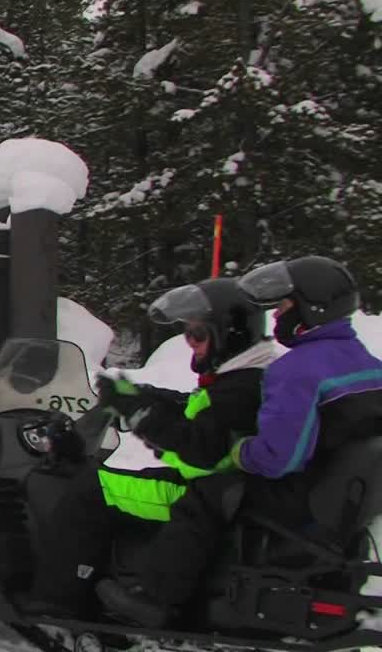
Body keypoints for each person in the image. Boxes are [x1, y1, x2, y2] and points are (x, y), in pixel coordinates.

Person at [97, 255, 382, 627]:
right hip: (340, 495)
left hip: (301, 497)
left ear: (314, 308)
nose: (277, 318)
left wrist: (240, 452)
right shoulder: (366, 362)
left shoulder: (294, 369)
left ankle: (155, 597)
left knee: (208, 491)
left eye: (283, 307)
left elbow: (278, 458)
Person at [21, 277, 276, 618]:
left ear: (229, 334)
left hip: (203, 490)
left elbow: (198, 450)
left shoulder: (240, 388)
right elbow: (202, 420)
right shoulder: (247, 375)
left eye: (198, 334)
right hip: (219, 487)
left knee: (93, 486)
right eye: (187, 334)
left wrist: (141, 413)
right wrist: (149, 398)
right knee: (125, 478)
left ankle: (58, 598)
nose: (191, 343)